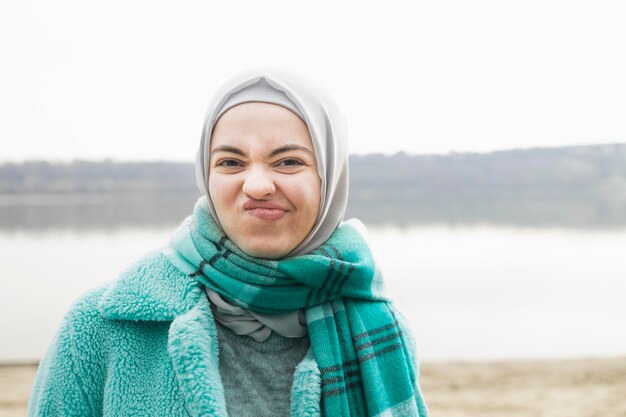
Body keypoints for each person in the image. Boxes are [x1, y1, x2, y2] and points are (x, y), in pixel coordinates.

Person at [28, 68, 429, 417]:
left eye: (288, 161)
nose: (257, 185)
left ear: (330, 178)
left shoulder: (380, 327)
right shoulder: (99, 328)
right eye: (231, 162)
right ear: (206, 176)